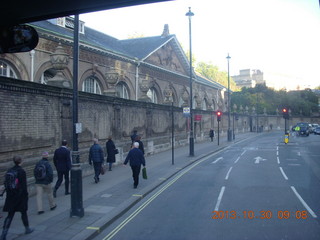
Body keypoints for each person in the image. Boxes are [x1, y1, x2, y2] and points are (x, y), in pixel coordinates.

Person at [1, 156, 34, 239]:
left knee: (10, 215)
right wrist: (26, 196)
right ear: (20, 161)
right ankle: (27, 229)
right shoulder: (21, 171)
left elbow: (6, 183)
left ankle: (4, 234)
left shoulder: (10, 170)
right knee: (23, 213)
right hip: (20, 196)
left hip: (11, 196)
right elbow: (23, 186)